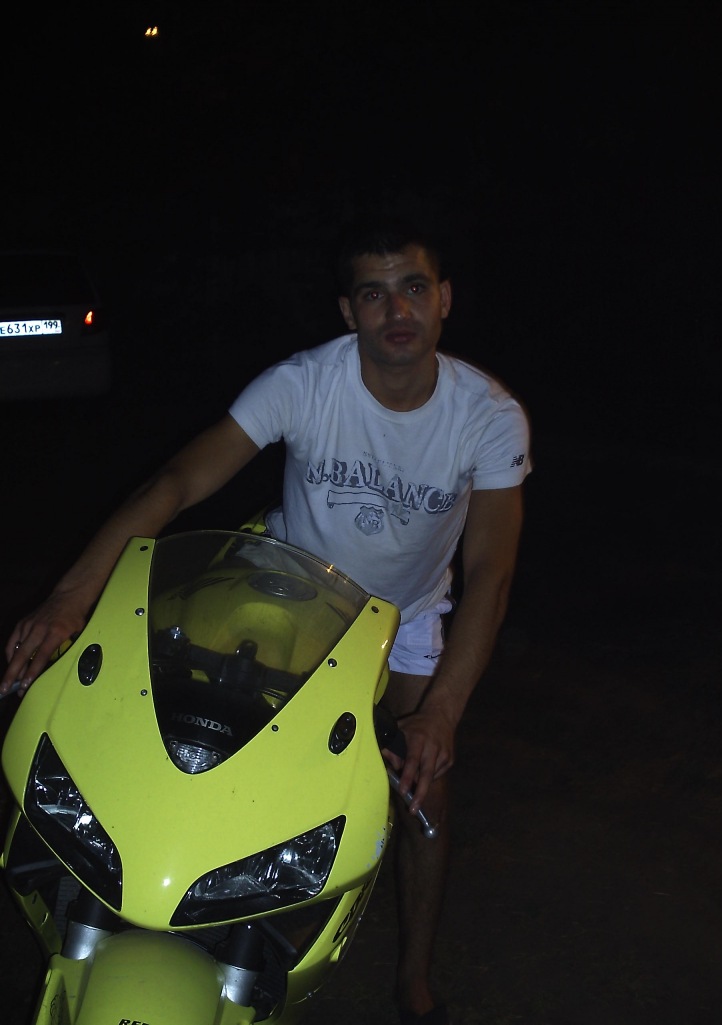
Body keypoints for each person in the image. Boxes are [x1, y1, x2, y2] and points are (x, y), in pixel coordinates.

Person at [2, 218, 530, 1025]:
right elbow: (179, 481)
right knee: (177, 726)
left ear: (444, 299)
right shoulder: (303, 381)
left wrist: (442, 713)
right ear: (348, 311)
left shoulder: (488, 415)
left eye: (414, 288)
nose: (397, 310)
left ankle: (413, 973)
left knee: (425, 795)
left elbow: (492, 570)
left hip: (408, 615)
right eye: (374, 293)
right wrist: (71, 596)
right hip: (288, 585)